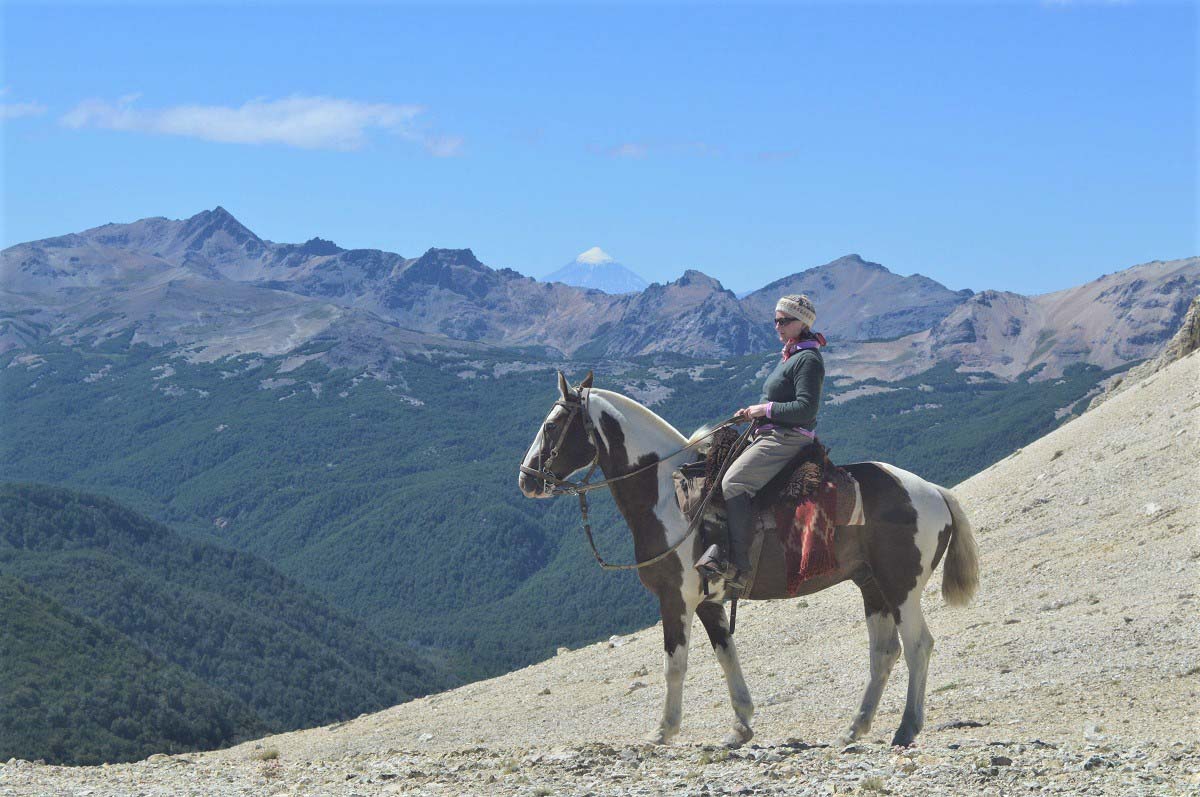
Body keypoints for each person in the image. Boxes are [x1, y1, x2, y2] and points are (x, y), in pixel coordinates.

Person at [706, 294, 826, 590]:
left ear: (803, 323)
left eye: (784, 321)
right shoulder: (793, 354)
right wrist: (753, 413)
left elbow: (806, 409)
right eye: (775, 320)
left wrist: (765, 410)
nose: (777, 326)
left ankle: (739, 566)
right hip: (771, 432)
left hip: (788, 437)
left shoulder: (808, 360)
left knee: (734, 482)